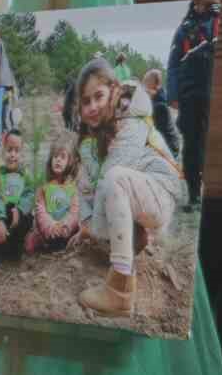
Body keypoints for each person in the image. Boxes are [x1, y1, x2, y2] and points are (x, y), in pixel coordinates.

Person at [67, 58, 186, 315]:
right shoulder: (93, 138)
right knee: (110, 182)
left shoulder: (131, 122)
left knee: (115, 177)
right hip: (140, 194)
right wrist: (86, 223)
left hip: (160, 193)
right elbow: (86, 185)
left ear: (115, 89)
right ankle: (131, 248)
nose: (93, 107)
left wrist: (98, 231)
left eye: (99, 96)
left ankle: (119, 290)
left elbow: (110, 179)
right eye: (86, 102)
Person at [166, 0, 220, 212]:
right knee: (192, 145)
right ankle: (194, 195)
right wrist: (173, 95)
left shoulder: (219, 21)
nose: (200, 5)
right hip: (191, 95)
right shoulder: (184, 29)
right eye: (196, 2)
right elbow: (172, 65)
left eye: (205, 2)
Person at [25, 137, 81, 254]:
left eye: (62, 157)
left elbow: (74, 211)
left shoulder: (72, 188)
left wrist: (65, 226)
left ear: (69, 162)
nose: (58, 160)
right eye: (55, 156)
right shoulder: (44, 188)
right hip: (48, 231)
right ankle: (40, 239)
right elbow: (41, 210)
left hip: (66, 231)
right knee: (30, 245)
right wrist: (51, 226)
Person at [0, 129, 33, 261]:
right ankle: (0, 245)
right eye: (9, 150)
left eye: (17, 150)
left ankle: (16, 246)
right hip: (3, 214)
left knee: (26, 218)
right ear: (3, 151)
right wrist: (0, 219)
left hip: (19, 214)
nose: (12, 155)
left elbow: (30, 194)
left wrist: (20, 210)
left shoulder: (25, 174)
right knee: (2, 212)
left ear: (22, 153)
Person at [142, 68, 182, 157]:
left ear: (155, 85)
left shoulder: (159, 106)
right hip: (165, 146)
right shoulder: (157, 100)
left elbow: (153, 134)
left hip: (169, 150)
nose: (143, 85)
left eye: (146, 81)